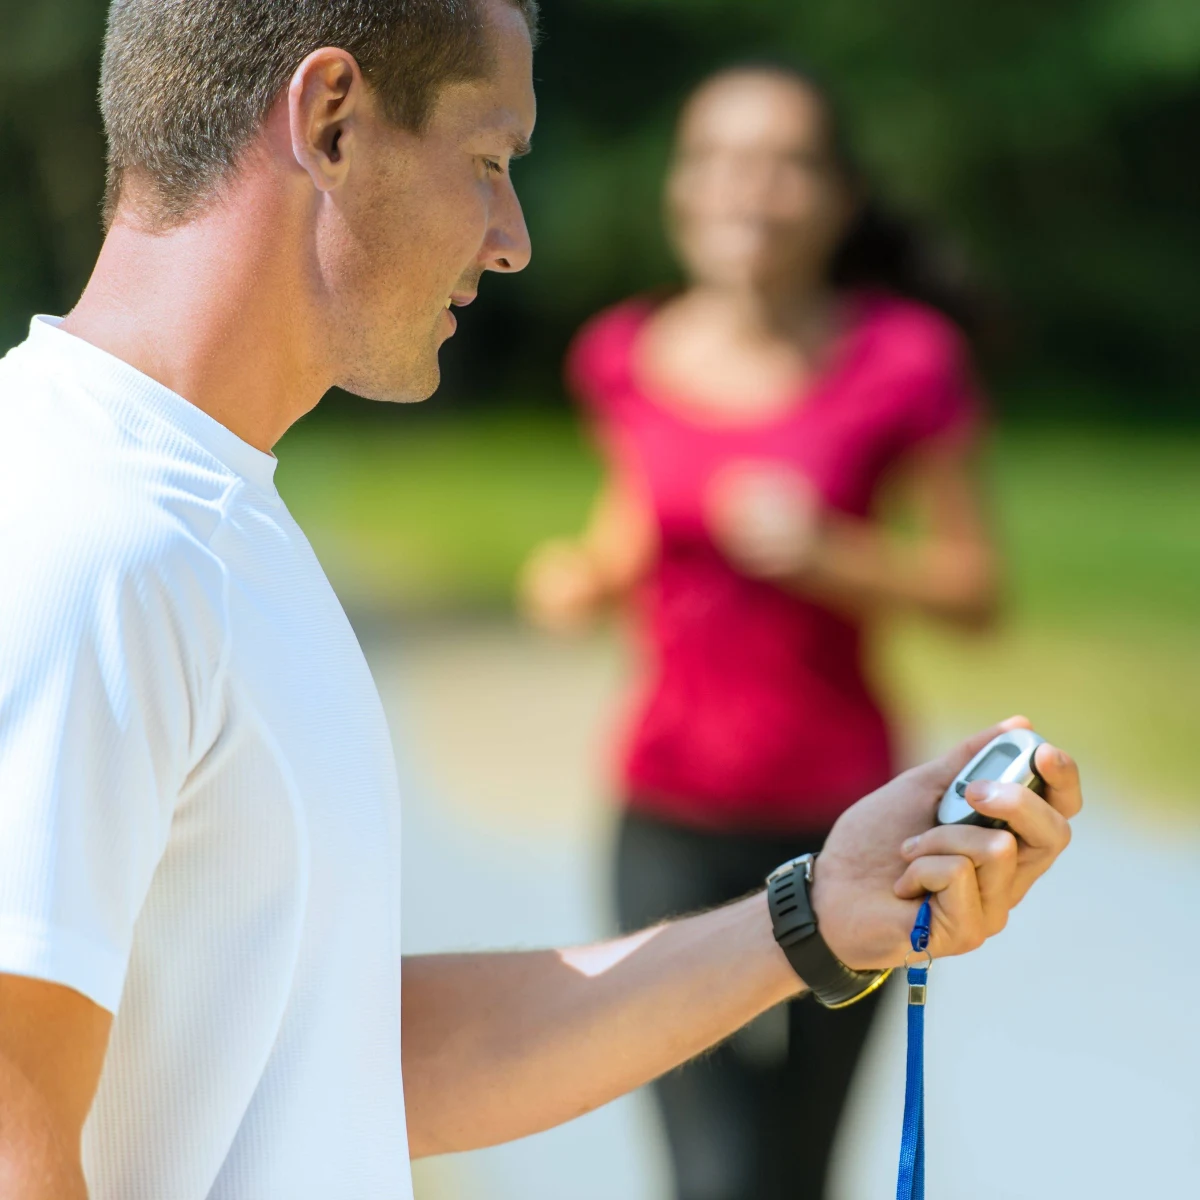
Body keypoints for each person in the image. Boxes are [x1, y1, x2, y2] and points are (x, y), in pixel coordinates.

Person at [0, 5, 1079, 1199]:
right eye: (491, 161)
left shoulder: (209, 519)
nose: (512, 238)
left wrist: (817, 913)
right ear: (331, 120)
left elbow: (331, 1060)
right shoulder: (85, 539)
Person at [521, 63, 1002, 1199]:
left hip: (852, 823)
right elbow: (628, 531)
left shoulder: (906, 361)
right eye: (719, 158)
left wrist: (829, 551)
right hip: (668, 821)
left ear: (837, 197)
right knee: (715, 1170)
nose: (749, 188)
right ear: (682, 188)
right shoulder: (624, 354)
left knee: (797, 1167)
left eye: (785, 162)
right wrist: (578, 581)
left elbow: (976, 588)